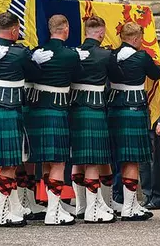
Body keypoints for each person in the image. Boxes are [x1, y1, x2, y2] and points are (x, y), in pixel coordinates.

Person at [0, 12, 53, 227]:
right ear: (15, 30)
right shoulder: (19, 53)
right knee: (9, 165)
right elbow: (36, 74)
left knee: (8, 165)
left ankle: (14, 209)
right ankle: (1, 214)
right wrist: (35, 60)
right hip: (9, 111)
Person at [26, 14, 81, 226]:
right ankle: (53, 213)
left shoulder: (37, 53)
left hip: (37, 109)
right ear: (65, 29)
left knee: (48, 162)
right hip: (57, 109)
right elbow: (79, 75)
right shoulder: (70, 55)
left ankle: (53, 206)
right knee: (58, 161)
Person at [107, 22, 160, 221]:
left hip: (113, 109)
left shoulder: (111, 55)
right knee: (132, 158)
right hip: (133, 109)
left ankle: (114, 202)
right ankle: (130, 206)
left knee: (115, 157)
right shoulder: (141, 57)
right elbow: (157, 74)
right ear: (137, 39)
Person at [70, 16, 116, 223]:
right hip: (95, 108)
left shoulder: (73, 54)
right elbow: (118, 76)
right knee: (94, 160)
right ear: (100, 33)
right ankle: (93, 209)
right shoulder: (105, 55)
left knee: (79, 158)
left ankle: (82, 205)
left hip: (74, 107)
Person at [139, 58, 160, 210]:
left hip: (155, 117)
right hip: (142, 115)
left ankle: (157, 197)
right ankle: (147, 195)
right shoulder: (142, 62)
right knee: (143, 161)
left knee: (155, 159)